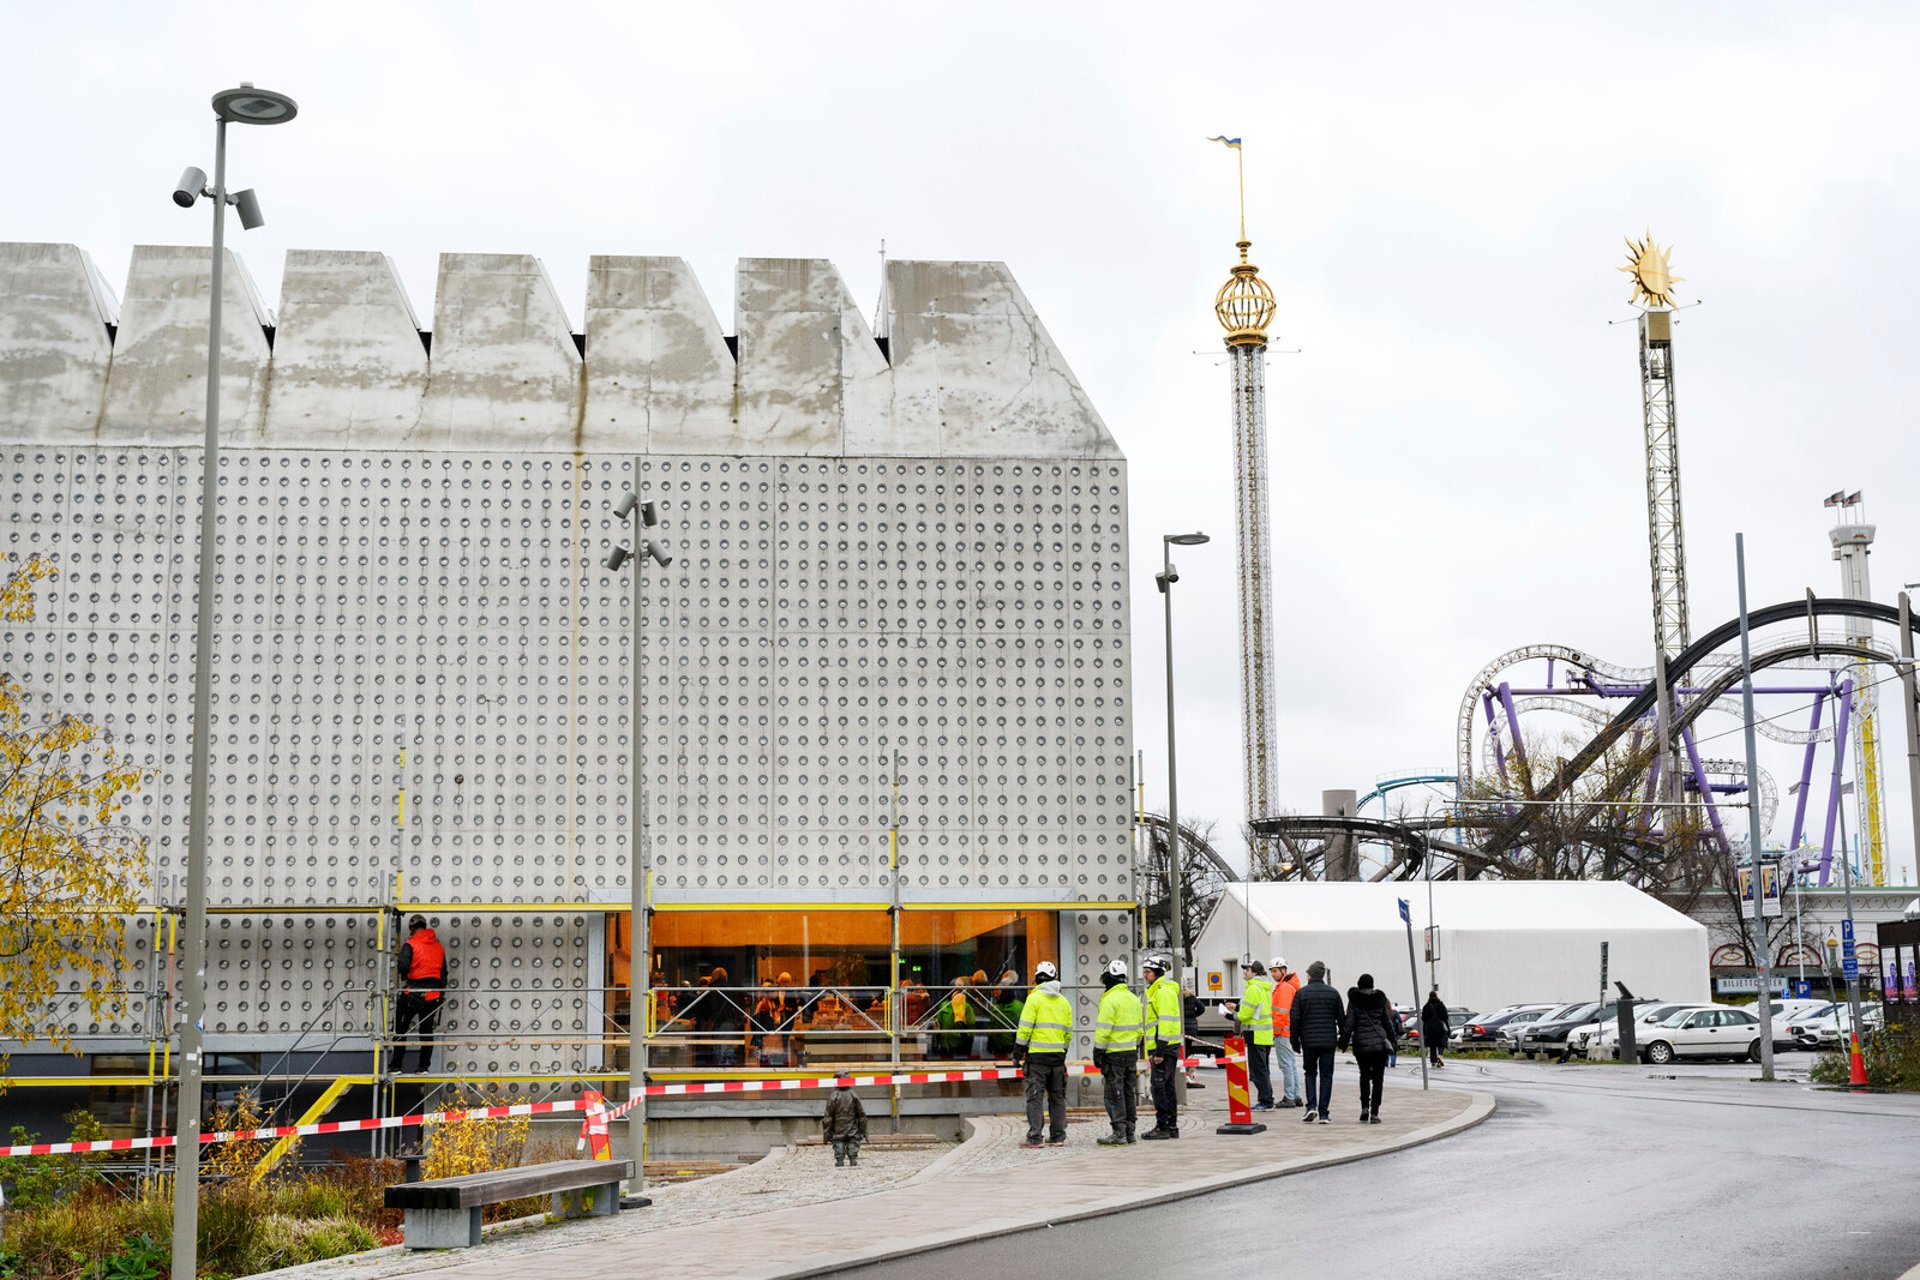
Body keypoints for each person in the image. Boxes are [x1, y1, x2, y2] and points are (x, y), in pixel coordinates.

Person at [1013, 960, 1072, 1147]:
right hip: (1057, 1058)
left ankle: (1035, 1137)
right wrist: (1062, 1053)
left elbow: (1025, 1028)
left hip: (1037, 1059)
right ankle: (1058, 1136)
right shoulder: (1064, 1001)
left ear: (1037, 978)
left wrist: (1017, 1051)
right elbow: (1068, 1033)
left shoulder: (1034, 998)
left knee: (1035, 1097)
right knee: (1057, 1097)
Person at [1092, 959, 1143, 1145]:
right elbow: (1139, 1031)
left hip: (1113, 1056)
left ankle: (1118, 1132)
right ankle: (1130, 1132)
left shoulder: (1109, 1000)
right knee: (1129, 1092)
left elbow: (1103, 1030)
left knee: (1114, 1094)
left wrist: (1098, 1052)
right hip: (1130, 1053)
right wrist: (1133, 1046)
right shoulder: (1133, 999)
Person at [1289, 960, 1344, 1124]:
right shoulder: (1333, 993)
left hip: (1309, 1042)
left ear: (1310, 975)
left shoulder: (1301, 994)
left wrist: (1295, 1041)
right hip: (1328, 1042)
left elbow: (1295, 1019)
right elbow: (1342, 1019)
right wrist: (1343, 1040)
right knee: (1327, 1076)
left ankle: (1311, 1106)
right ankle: (1324, 1113)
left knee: (1310, 1073)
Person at [393, 914, 448, 1074]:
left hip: (413, 991)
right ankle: (423, 1067)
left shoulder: (410, 944)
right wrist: (440, 992)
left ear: (412, 928)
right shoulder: (439, 947)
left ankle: (396, 1066)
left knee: (400, 1028)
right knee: (426, 1031)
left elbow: (403, 967)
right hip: (433, 994)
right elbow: (443, 973)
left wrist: (405, 975)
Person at [1341, 973, 1397, 1124]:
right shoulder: (1380, 1000)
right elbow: (1387, 1023)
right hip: (1379, 1045)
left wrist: (1343, 1041)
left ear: (1359, 985)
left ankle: (1364, 1107)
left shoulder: (1354, 1001)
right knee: (1378, 1080)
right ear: (1372, 985)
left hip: (1361, 1045)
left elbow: (1349, 1024)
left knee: (1364, 1076)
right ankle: (1375, 1113)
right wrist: (1393, 1040)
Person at [1140, 954, 1183, 1139]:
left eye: (1148, 972)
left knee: (1160, 1087)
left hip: (1164, 1048)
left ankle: (1163, 1126)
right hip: (1167, 1046)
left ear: (1157, 973)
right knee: (1167, 1086)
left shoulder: (1163, 992)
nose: (1144, 975)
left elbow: (1164, 1022)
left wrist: (1159, 1050)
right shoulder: (1160, 990)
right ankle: (1171, 1126)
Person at [1231, 959, 1276, 1110]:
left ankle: (1266, 1101)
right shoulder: (1263, 987)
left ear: (1255, 972)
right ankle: (1266, 1099)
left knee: (1257, 1071)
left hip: (1255, 1034)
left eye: (1247, 969)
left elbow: (1246, 1013)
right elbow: (1256, 1008)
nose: (1245, 972)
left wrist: (1232, 1015)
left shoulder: (1253, 988)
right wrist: (1238, 1007)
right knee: (1263, 1070)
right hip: (1265, 1035)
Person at [1269, 957, 1303, 1108]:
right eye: (1271, 971)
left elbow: (1281, 1013)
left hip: (1282, 1032)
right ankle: (1296, 1096)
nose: (1273, 974)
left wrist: (1275, 1031)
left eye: (1275, 971)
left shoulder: (1283, 988)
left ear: (1283, 970)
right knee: (1291, 1065)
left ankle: (1289, 1096)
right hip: (1290, 1031)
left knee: (1286, 1066)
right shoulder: (1291, 986)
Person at [822, 1083, 868, 1167]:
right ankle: (853, 1158)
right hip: (852, 1127)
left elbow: (828, 1116)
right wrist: (863, 1130)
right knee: (853, 1141)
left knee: (839, 1142)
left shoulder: (833, 1096)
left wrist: (826, 1131)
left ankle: (840, 1160)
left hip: (838, 1128)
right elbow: (861, 1114)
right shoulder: (854, 1095)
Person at [992, 971, 1025, 1059]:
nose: (995, 992)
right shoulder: (997, 1007)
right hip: (1001, 1046)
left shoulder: (1016, 1006)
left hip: (1010, 1045)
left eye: (999, 990)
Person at [968, 968, 993, 1059]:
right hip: (984, 1018)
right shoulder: (989, 989)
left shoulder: (973, 990)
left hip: (978, 1018)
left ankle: (976, 1056)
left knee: (977, 1040)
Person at [1422, 989, 1450, 1069]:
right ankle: (1440, 1056)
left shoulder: (1426, 1006)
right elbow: (1445, 1017)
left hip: (1430, 1029)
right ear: (1436, 996)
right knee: (1441, 1043)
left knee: (1432, 1046)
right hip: (1440, 1028)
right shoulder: (1441, 1005)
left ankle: (1433, 1062)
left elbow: (1423, 1018)